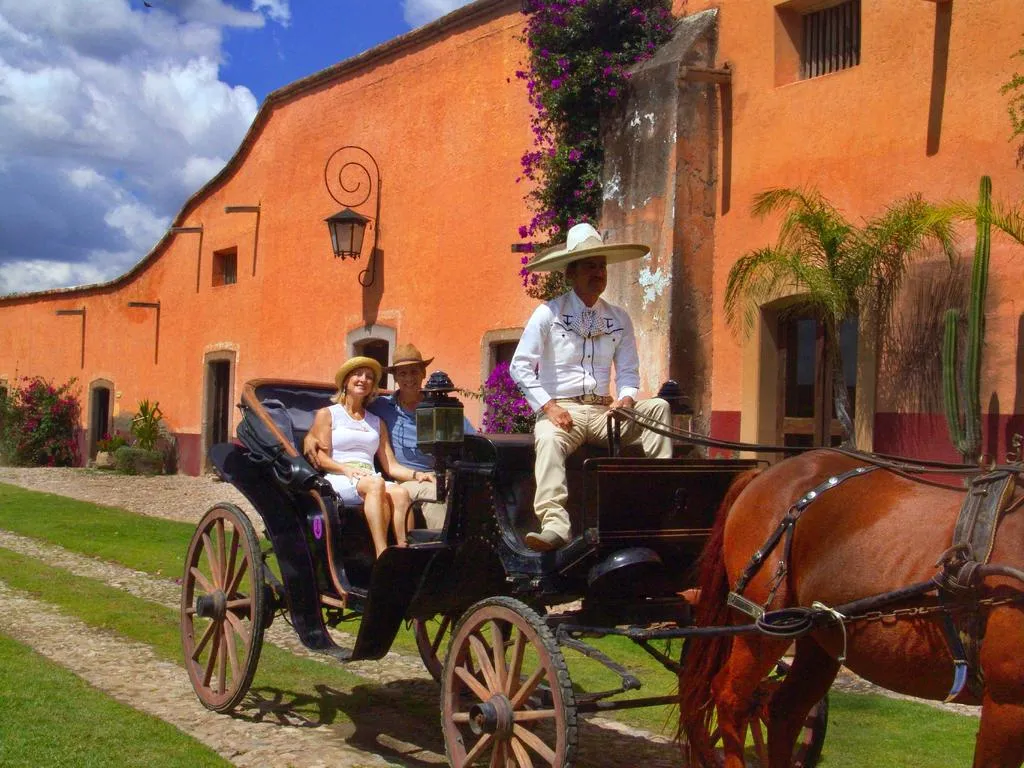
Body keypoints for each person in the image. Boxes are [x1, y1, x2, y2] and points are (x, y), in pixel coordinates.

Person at [510, 222, 672, 552]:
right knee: (548, 440)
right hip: (562, 411)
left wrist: (626, 398)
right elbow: (520, 366)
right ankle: (555, 524)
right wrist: (548, 407)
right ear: (571, 273)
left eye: (601, 266)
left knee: (659, 408)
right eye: (590, 266)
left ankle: (661, 502)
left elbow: (628, 372)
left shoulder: (619, 318)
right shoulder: (548, 313)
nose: (598, 272)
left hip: (604, 414)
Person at [305, 343, 474, 530]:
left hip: (445, 474)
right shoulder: (381, 407)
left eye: (414, 372)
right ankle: (443, 553)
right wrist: (310, 436)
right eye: (402, 373)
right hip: (409, 479)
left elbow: (473, 439)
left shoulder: (440, 408)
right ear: (395, 378)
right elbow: (343, 418)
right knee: (435, 493)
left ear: (423, 374)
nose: (409, 378)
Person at [306, 356, 427, 558]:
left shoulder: (376, 421)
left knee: (401, 493)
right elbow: (322, 459)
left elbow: (391, 466)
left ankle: (405, 554)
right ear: (346, 380)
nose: (363, 379)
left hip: (370, 476)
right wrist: (346, 469)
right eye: (357, 374)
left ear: (373, 386)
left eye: (369, 377)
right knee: (375, 485)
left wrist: (418, 475)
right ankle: (382, 555)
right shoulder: (328, 414)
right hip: (339, 476)